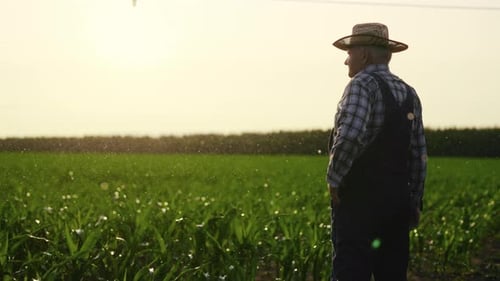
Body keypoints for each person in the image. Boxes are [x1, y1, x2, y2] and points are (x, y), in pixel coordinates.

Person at [326, 23, 427, 281]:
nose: (346, 61)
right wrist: (414, 200)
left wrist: (334, 180)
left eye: (350, 53)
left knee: (351, 273)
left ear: (364, 55)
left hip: (359, 203)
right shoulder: (409, 93)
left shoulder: (361, 85)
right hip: (396, 204)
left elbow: (349, 137)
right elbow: (418, 154)